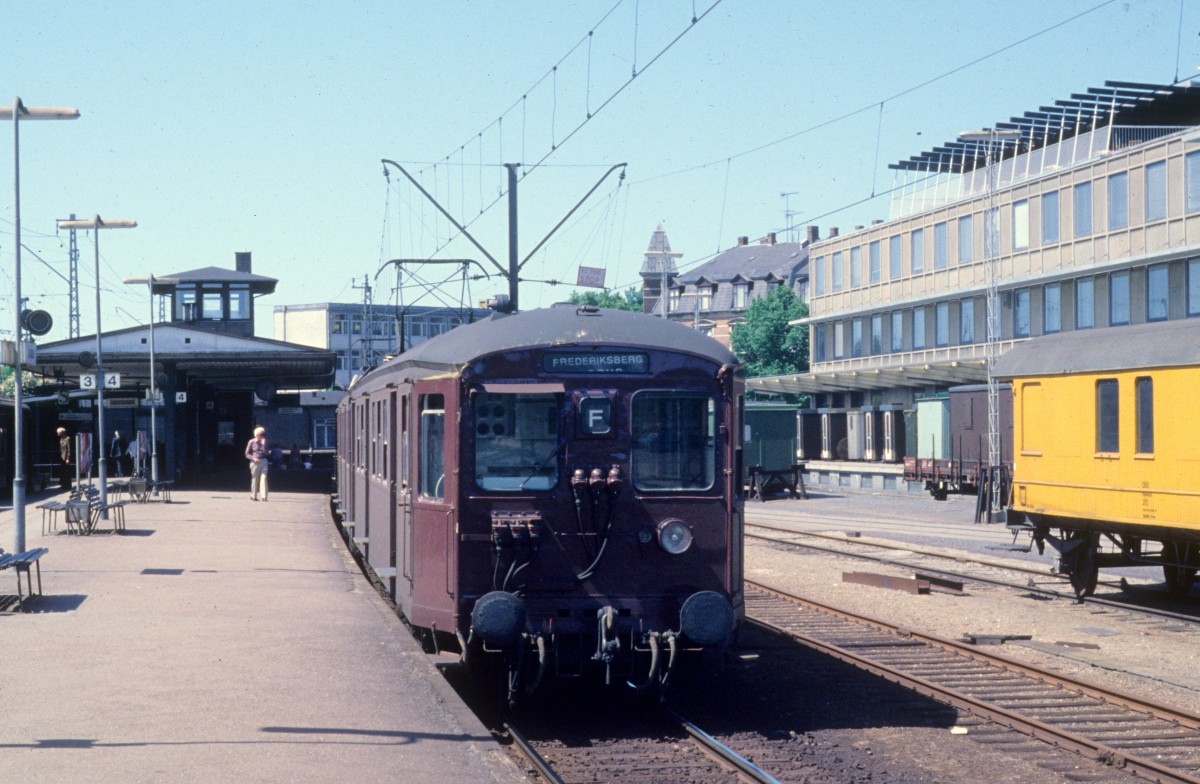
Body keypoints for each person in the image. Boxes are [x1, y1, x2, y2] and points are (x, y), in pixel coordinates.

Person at [244, 425, 269, 501]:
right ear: (257, 435)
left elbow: (266, 453)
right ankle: (253, 496)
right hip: (255, 462)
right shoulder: (251, 442)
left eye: (263, 434)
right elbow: (246, 453)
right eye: (261, 434)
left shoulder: (265, 441)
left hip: (263, 461)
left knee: (264, 478)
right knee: (255, 478)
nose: (262, 436)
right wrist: (253, 458)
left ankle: (264, 496)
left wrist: (264, 445)